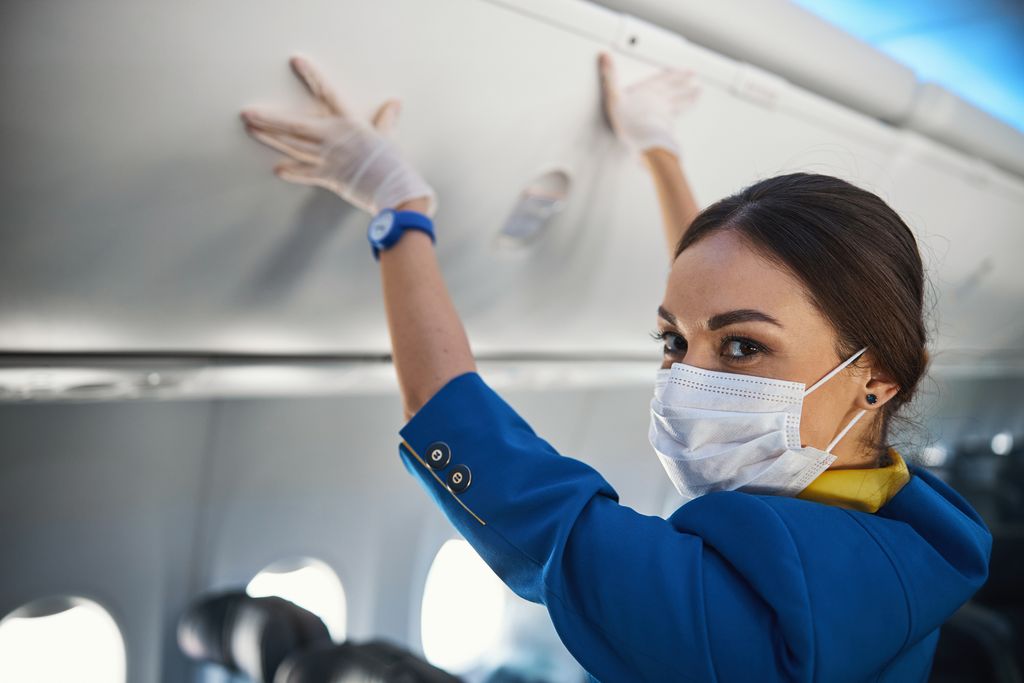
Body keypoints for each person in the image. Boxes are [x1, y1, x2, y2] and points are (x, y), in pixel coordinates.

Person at [239, 51, 992, 682]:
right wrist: (657, 150)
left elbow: (464, 432)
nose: (689, 380)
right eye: (671, 343)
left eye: (742, 350)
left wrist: (397, 207)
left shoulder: (735, 630)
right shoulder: (909, 534)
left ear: (879, 375)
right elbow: (731, 295)